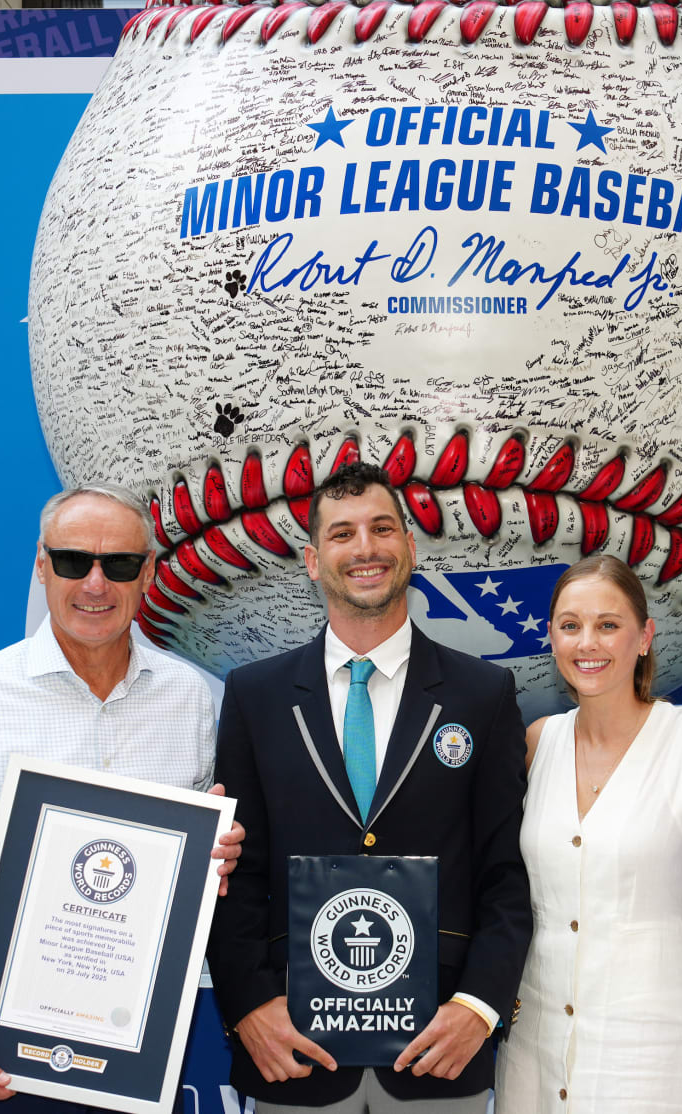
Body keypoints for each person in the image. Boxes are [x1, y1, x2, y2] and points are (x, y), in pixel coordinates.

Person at [0, 487, 244, 1109]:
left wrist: (215, 854)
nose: (95, 583)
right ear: (41, 564)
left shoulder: (189, 699)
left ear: (147, 573)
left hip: (141, 1039)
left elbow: (191, 862)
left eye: (119, 564)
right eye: (73, 561)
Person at [208, 460, 531, 1113]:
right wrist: (248, 1005)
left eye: (383, 529)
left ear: (410, 548)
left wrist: (479, 1006)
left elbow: (507, 873)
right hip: (295, 1054)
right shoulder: (256, 696)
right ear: (312, 559)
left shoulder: (482, 694)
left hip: (437, 1052)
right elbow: (234, 871)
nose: (365, 549)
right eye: (343, 533)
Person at [495, 555, 682, 1113]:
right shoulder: (539, 742)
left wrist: (665, 865)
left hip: (650, 1049)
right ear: (552, 638)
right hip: (534, 1041)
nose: (589, 643)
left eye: (608, 624)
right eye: (570, 625)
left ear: (645, 636)